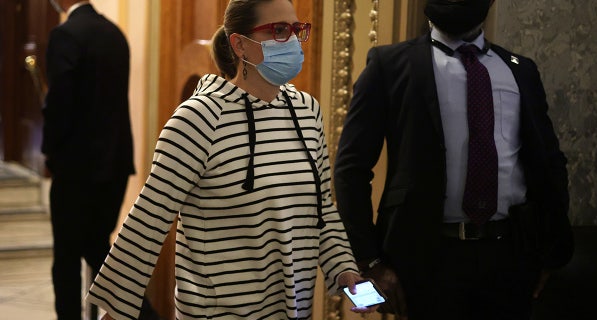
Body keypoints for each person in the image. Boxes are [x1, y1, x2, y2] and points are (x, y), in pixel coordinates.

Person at [86, 0, 375, 319]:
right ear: (240, 45)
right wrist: (115, 312)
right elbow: (148, 221)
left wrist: (348, 274)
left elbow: (323, 211)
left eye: (296, 30)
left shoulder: (307, 111)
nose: (292, 41)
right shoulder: (198, 120)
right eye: (278, 31)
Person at [333, 0, 574, 319]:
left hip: (510, 256)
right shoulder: (388, 65)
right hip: (426, 262)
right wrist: (370, 261)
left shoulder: (521, 70)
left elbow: (550, 164)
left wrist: (550, 254)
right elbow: (351, 169)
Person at [42, 1, 138, 319]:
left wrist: (49, 153)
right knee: (97, 246)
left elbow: (60, 103)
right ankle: (141, 311)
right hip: (115, 162)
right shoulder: (115, 34)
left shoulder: (65, 35)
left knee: (68, 259)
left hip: (76, 167)